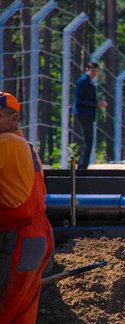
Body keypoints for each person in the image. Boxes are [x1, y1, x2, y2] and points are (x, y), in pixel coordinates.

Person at [0, 91, 54, 322]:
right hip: (36, 238)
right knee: (21, 312)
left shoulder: (7, 142)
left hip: (19, 240)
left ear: (13, 120)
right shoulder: (26, 145)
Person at [73, 62, 107, 170]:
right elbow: (80, 99)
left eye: (96, 71)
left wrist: (96, 103)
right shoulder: (83, 82)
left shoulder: (89, 82)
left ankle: (83, 165)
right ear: (87, 69)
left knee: (89, 140)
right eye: (92, 70)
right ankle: (82, 166)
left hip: (87, 114)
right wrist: (96, 104)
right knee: (88, 140)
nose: (94, 73)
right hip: (84, 114)